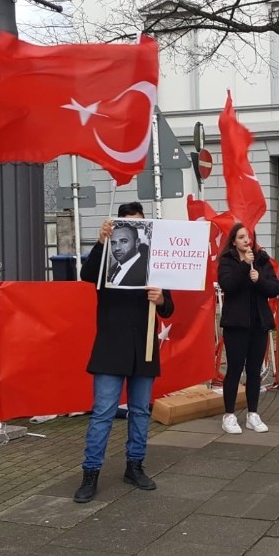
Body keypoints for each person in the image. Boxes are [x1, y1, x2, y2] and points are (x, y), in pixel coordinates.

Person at [73, 202, 174, 503]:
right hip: (110, 348)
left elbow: (169, 308)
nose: (120, 245)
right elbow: (86, 274)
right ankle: (90, 474)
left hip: (143, 348)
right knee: (102, 413)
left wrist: (161, 299)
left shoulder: (155, 265)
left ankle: (135, 466)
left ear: (141, 237)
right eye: (118, 236)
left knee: (141, 412)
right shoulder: (106, 259)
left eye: (128, 236)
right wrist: (101, 242)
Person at [218, 223, 279, 434]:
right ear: (234, 241)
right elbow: (228, 285)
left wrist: (260, 280)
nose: (247, 240)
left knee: (254, 371)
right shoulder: (227, 261)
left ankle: (253, 414)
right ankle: (229, 415)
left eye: (249, 236)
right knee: (235, 369)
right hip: (236, 324)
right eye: (241, 237)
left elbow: (274, 288)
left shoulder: (262, 260)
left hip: (258, 323)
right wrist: (244, 265)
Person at [107, 214, 149, 287]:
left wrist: (159, 298)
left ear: (137, 243)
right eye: (113, 243)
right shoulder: (113, 268)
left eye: (123, 241)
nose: (117, 248)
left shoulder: (148, 269)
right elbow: (87, 276)